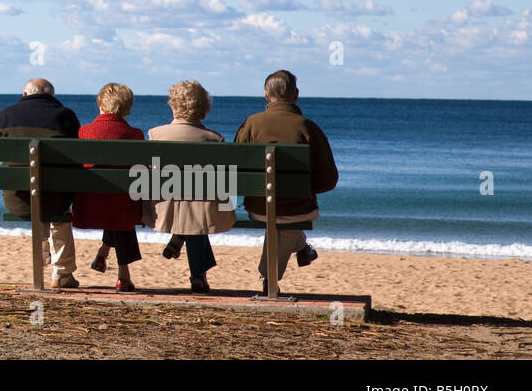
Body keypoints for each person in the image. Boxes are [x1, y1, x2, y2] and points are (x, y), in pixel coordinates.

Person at [234, 69, 339, 290]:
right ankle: (269, 279)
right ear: (296, 95)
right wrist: (305, 189)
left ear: (266, 96)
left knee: (278, 216)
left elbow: (235, 170)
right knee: (288, 217)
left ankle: (301, 250)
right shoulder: (308, 127)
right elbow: (329, 180)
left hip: (258, 207)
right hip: (298, 209)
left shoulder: (250, 124)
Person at [147, 81, 236, 294]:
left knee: (190, 208)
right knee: (196, 210)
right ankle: (198, 274)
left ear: (172, 105)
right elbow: (224, 183)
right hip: (202, 210)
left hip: (164, 209)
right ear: (205, 108)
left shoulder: (155, 134)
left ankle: (179, 238)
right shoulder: (214, 139)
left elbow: (148, 178)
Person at [0, 77, 81, 289]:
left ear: (25, 94)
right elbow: (75, 158)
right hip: (56, 201)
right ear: (52, 96)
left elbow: (1, 150)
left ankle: (45, 254)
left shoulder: (5, 115)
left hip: (18, 201)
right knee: (58, 210)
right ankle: (62, 273)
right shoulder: (65, 116)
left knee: (39, 194)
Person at [72, 83, 145, 291]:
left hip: (89, 205)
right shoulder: (135, 134)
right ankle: (123, 275)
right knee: (120, 204)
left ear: (100, 105)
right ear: (128, 108)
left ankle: (104, 252)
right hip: (123, 206)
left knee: (113, 200)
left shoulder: (84, 132)